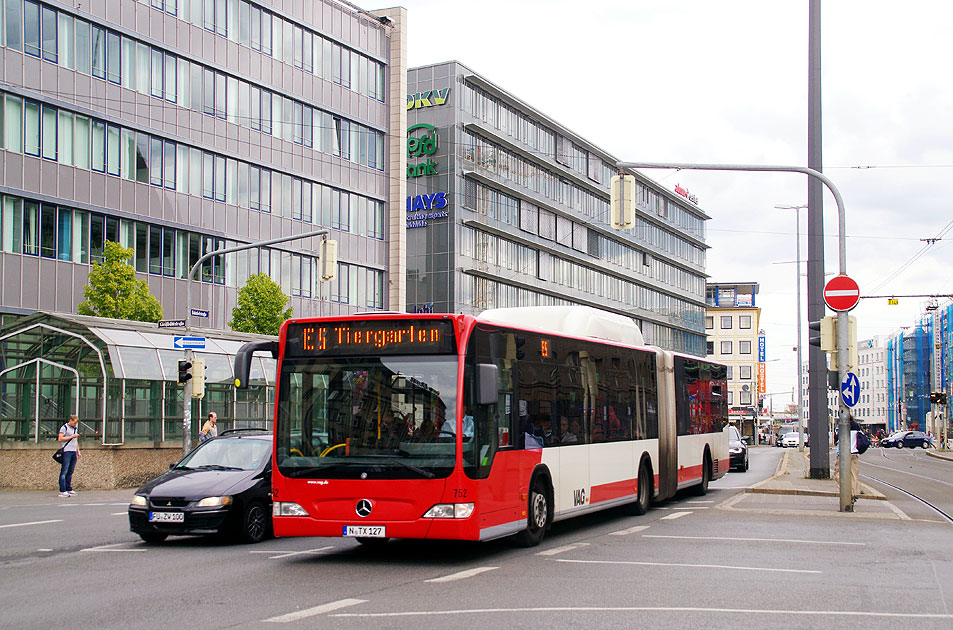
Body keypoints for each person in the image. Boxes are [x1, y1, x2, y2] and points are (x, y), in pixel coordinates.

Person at [57, 414, 81, 497]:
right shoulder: (64, 428)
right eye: (74, 423)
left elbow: (75, 441)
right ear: (70, 420)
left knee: (70, 471)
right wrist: (71, 436)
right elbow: (60, 439)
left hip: (73, 451)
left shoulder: (75, 429)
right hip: (67, 451)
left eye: (76, 424)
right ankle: (62, 490)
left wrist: (78, 451)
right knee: (64, 470)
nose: (75, 425)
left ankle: (68, 488)